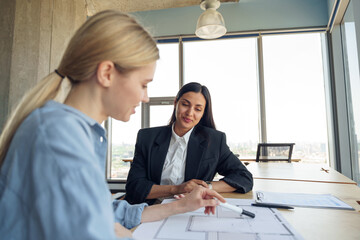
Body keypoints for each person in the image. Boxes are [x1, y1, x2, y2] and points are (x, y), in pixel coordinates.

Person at [0, 10, 225, 240]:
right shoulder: (57, 136)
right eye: (143, 84)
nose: (145, 97)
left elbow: (105, 212)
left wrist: (180, 206)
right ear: (107, 73)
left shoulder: (76, 131)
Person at [125, 82, 253, 205]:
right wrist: (177, 189)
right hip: (152, 208)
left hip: (191, 210)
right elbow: (135, 186)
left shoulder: (214, 141)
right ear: (176, 103)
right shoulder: (147, 138)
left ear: (203, 113)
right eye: (185, 104)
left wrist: (205, 187)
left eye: (198, 109)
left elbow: (244, 178)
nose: (190, 113)